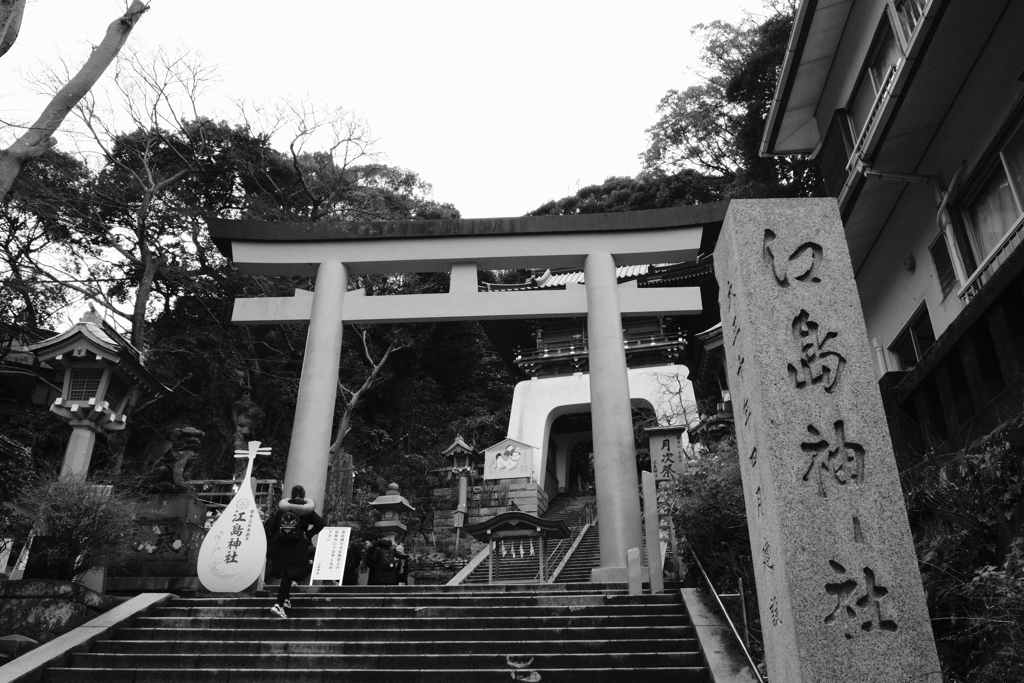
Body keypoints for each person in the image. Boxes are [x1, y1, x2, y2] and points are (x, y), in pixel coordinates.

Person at [264, 484, 324, 618]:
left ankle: (285, 599)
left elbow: (271, 527)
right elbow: (320, 523)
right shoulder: (306, 511)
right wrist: (308, 534)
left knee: (286, 573)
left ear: (291, 494)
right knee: (290, 574)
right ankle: (278, 604)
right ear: (304, 495)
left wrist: (272, 540)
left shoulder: (283, 509)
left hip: (281, 545)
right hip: (298, 546)